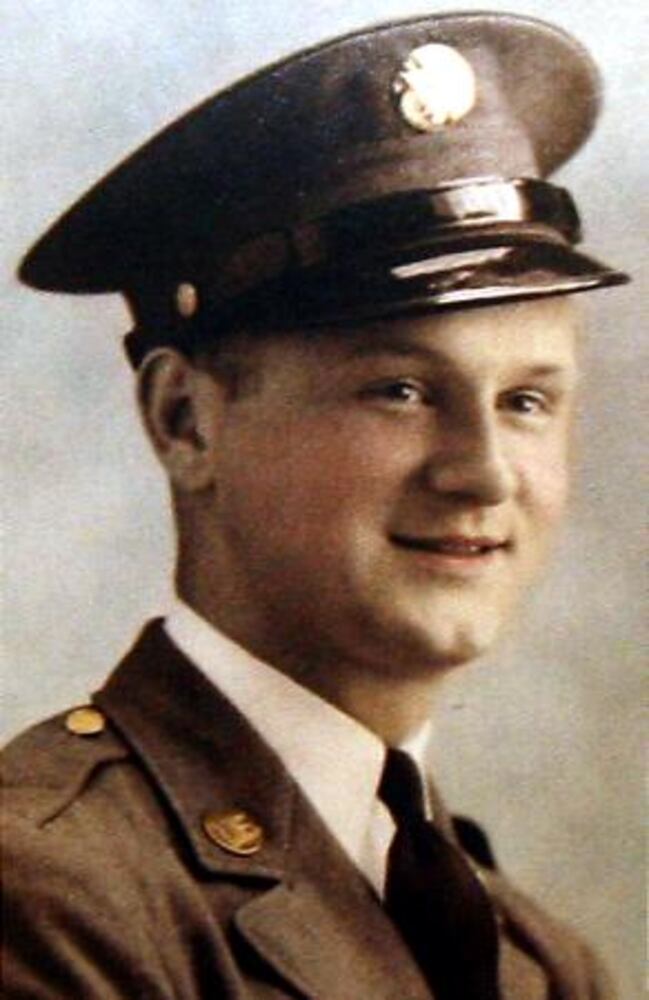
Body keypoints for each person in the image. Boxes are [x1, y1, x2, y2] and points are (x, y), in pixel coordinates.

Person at [2, 11, 629, 999]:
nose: (482, 474)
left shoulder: (540, 963)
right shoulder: (49, 891)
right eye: (400, 390)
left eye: (524, 401)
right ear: (185, 422)